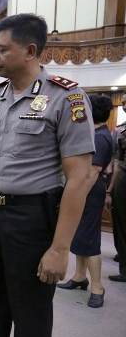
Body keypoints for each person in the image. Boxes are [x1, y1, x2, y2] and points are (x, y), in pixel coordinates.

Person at [0, 13, 95, 337]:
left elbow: (79, 178)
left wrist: (59, 248)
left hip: (34, 219)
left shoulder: (66, 98)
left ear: (30, 51)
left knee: (31, 316)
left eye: (1, 50)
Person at [58, 95, 112, 308]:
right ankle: (80, 276)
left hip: (88, 192)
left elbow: (92, 173)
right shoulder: (97, 132)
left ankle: (98, 287)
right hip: (85, 191)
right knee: (80, 236)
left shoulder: (99, 137)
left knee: (89, 240)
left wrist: (75, 198)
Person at [106, 94, 126, 283]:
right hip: (123, 179)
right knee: (121, 220)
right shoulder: (121, 131)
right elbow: (118, 161)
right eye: (124, 103)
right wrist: (110, 189)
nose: (125, 106)